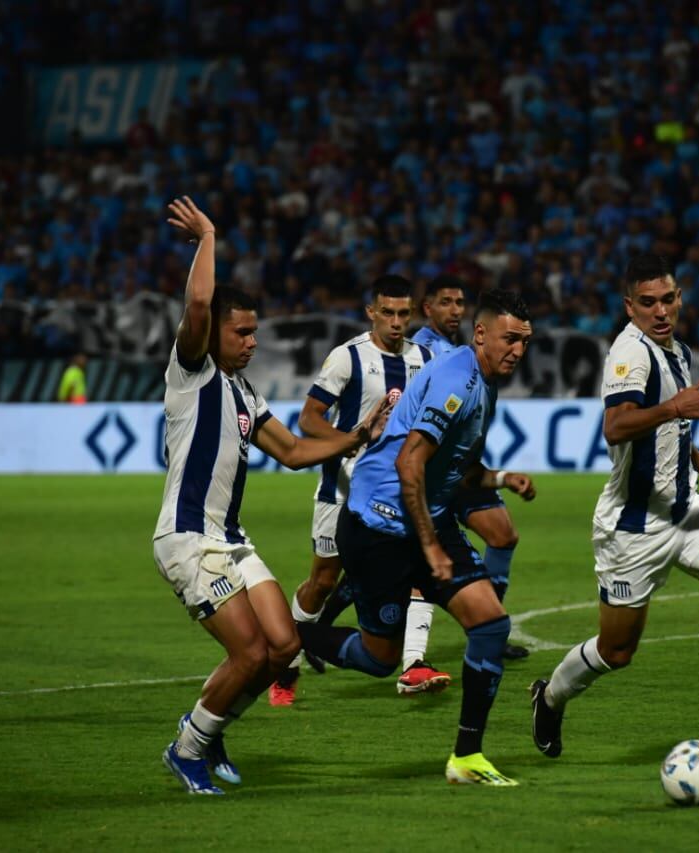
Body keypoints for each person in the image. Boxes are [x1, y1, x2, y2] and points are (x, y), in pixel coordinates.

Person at [153, 196, 391, 795]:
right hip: (188, 540)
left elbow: (291, 451)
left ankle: (209, 729)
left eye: (256, 331)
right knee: (251, 652)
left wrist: (356, 435)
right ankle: (188, 749)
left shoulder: (242, 392)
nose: (253, 341)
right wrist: (208, 233)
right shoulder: (192, 371)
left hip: (231, 541)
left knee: (283, 647)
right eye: (243, 332)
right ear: (214, 334)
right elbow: (200, 302)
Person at [529, 253, 699, 762]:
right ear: (629, 306)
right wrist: (676, 408)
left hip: (684, 508)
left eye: (669, 299)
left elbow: (669, 430)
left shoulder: (677, 350)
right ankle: (549, 697)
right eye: (648, 303)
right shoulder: (628, 354)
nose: (661, 311)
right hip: (633, 526)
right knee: (617, 651)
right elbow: (617, 426)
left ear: (680, 298)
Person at [295, 289, 537, 786]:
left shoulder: (484, 383)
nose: (517, 350)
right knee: (378, 660)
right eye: (510, 338)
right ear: (481, 334)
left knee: (490, 623)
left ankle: (467, 758)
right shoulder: (458, 381)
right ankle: (289, 634)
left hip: (426, 514)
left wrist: (500, 479)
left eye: (525, 341)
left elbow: (454, 469)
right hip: (379, 526)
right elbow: (409, 461)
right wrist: (429, 547)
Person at [270, 275, 446, 706]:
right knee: (322, 581)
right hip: (342, 488)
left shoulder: (425, 358)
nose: (397, 322)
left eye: (404, 313)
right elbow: (309, 419)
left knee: (420, 575)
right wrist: (349, 440)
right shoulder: (347, 357)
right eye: (388, 312)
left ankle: (413, 664)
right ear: (372, 313)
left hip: (395, 492)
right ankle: (285, 666)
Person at [409, 275, 531, 660]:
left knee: (503, 534)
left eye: (460, 302)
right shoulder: (430, 354)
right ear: (427, 308)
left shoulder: (476, 362)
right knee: (415, 557)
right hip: (424, 473)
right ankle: (414, 657)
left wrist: (501, 478)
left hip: (457, 469)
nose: (454, 310)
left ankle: (487, 624)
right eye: (445, 302)